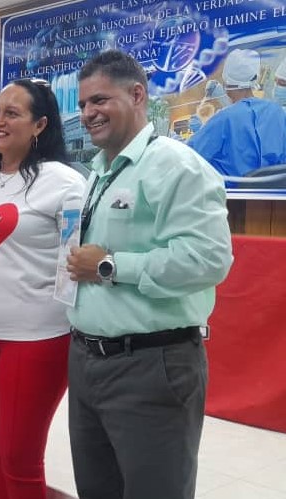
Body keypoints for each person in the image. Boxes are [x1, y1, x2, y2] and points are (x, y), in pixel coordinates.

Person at [66, 49, 233, 499]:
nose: (88, 113)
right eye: (83, 104)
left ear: (137, 95)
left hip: (151, 365)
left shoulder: (178, 167)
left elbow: (208, 259)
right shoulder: (98, 172)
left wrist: (110, 265)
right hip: (86, 361)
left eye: (100, 100)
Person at [0, 78, 85, 499]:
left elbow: (74, 263)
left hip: (34, 339)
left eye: (12, 113)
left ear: (40, 125)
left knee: (20, 458)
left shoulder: (65, 182)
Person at [189, 48, 286, 178]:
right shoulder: (277, 112)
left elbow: (190, 158)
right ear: (255, 78)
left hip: (233, 190)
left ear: (226, 83)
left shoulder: (223, 119)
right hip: (274, 189)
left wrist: (195, 133)